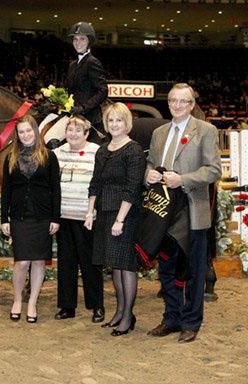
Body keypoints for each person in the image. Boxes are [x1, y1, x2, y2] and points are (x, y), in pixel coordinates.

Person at [145, 83, 222, 343]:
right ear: (168, 104)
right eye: (173, 101)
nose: (177, 105)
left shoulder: (206, 131)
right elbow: (148, 166)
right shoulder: (158, 133)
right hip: (164, 213)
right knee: (167, 267)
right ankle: (172, 318)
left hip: (192, 210)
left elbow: (213, 170)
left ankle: (191, 322)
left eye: (183, 101)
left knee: (193, 270)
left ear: (191, 105)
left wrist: (183, 179)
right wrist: (150, 175)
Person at [84, 102, 146, 336]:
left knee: (126, 265)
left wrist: (120, 219)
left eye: (118, 120)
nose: (114, 124)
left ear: (127, 122)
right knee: (115, 266)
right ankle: (120, 312)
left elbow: (132, 188)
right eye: (110, 120)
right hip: (105, 212)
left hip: (125, 214)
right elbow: (95, 184)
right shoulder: (102, 150)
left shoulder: (134, 150)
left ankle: (128, 316)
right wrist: (90, 212)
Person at [1, 115, 61, 323]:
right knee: (21, 262)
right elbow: (6, 191)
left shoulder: (49, 157)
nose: (26, 135)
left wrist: (55, 218)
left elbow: (56, 190)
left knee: (38, 262)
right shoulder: (10, 158)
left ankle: (33, 302)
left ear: (35, 131)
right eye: (21, 132)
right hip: (19, 216)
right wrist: (4, 218)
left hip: (43, 217)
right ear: (17, 135)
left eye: (28, 131)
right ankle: (17, 300)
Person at [54, 116, 104, 323]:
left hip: (87, 217)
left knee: (90, 263)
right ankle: (67, 306)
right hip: (63, 217)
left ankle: (97, 306)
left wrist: (92, 213)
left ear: (86, 134)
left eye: (78, 131)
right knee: (66, 263)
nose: (73, 134)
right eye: (70, 130)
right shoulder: (56, 154)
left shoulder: (97, 152)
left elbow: (99, 184)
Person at [65, 21, 108, 145]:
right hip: (73, 117)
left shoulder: (92, 62)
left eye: (82, 39)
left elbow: (103, 91)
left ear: (89, 41)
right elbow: (67, 91)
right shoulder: (72, 65)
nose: (78, 43)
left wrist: (83, 108)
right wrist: (52, 101)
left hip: (90, 119)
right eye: (75, 39)